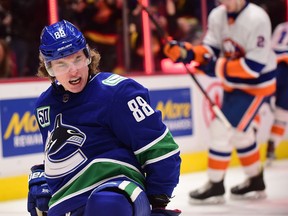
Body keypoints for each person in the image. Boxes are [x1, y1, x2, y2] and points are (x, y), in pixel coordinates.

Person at [27, 20, 182, 216]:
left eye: (77, 59)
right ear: (49, 69)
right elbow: (59, 154)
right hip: (70, 201)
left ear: (87, 56)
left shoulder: (118, 91)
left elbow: (162, 150)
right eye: (61, 64)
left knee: (107, 203)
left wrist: (157, 202)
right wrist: (42, 174)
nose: (73, 70)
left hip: (119, 193)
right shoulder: (45, 105)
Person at [164, 0, 276, 203]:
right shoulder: (218, 15)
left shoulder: (258, 17)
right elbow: (210, 50)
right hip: (232, 85)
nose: (222, 2)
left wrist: (212, 66)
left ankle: (215, 184)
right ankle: (255, 180)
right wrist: (187, 52)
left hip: (256, 86)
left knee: (221, 129)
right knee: (241, 134)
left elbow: (253, 67)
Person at [265, 21, 288, 164]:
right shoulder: (282, 27)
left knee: (282, 113)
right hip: (276, 69)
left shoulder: (282, 26)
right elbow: (270, 50)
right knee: (260, 105)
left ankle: (272, 146)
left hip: (275, 69)